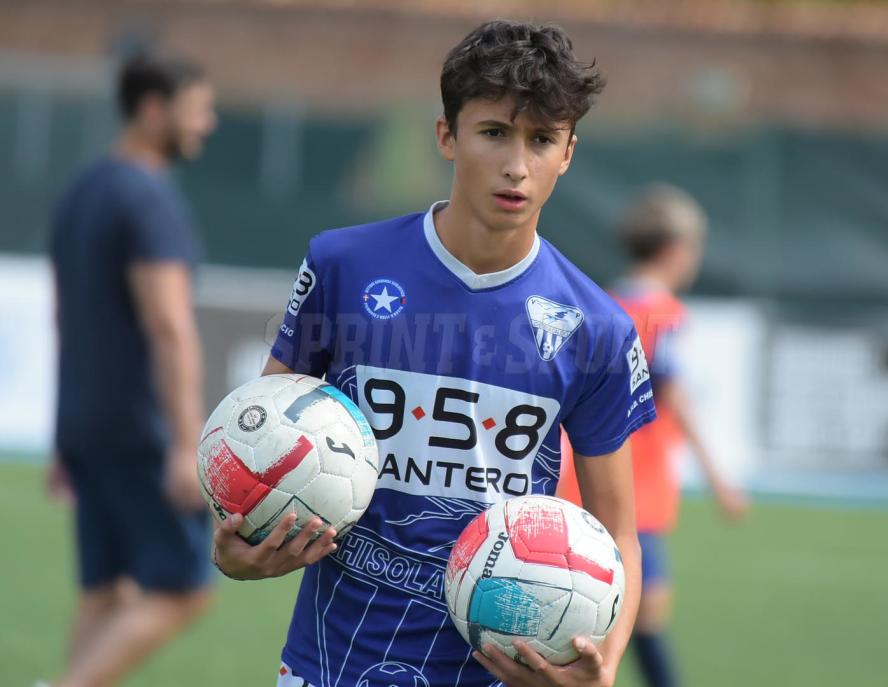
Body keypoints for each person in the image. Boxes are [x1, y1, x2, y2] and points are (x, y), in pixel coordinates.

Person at [212, 20, 657, 687]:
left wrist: (606, 666)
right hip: (330, 661)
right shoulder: (343, 265)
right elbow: (259, 442)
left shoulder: (598, 327)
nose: (517, 165)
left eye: (542, 140)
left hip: (498, 668)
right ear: (447, 135)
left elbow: (618, 533)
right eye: (494, 132)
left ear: (568, 152)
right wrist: (235, 546)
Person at [47, 53, 218, 687]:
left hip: (86, 424)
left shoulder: (82, 190)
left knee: (107, 588)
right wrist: (185, 444)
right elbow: (168, 325)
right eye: (197, 109)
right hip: (139, 428)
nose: (207, 123)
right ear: (152, 109)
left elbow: (63, 317)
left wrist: (65, 433)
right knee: (184, 589)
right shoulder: (147, 198)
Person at [559, 183, 749, 687]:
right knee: (643, 613)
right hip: (633, 487)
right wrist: (720, 480)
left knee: (598, 613)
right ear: (677, 250)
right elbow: (675, 395)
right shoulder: (663, 314)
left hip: (580, 480)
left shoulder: (604, 303)